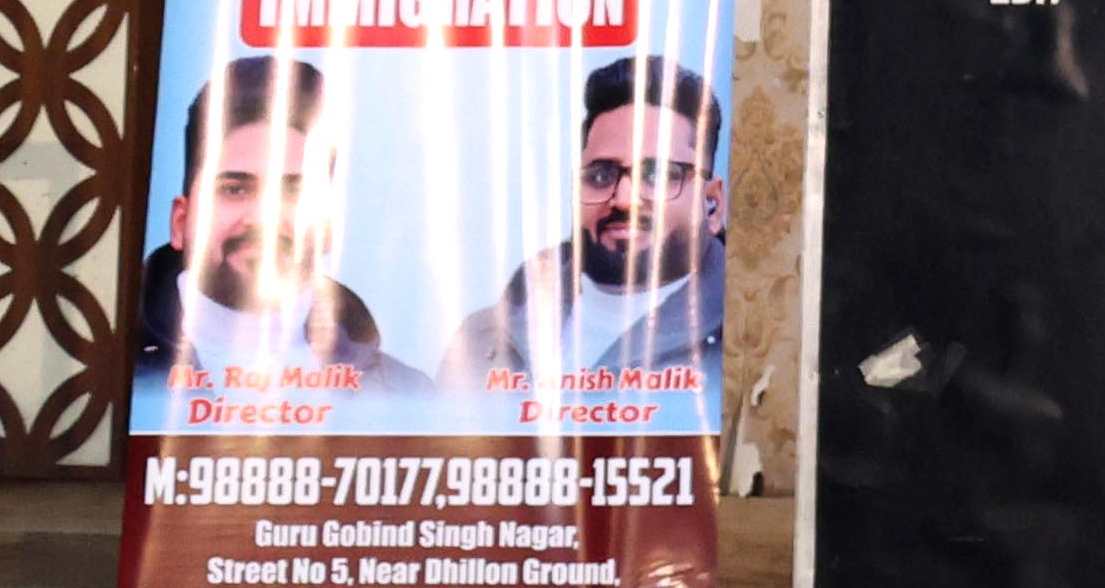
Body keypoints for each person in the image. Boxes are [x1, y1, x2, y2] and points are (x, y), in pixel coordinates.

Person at [439, 54, 721, 423]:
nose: (624, 199)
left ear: (713, 205)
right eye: (601, 175)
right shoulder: (483, 340)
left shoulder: (742, 344)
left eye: (657, 174)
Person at [132, 53, 400, 420]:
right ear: (180, 222)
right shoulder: (111, 373)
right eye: (235, 189)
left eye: (294, 192)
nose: (264, 218)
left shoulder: (404, 394)